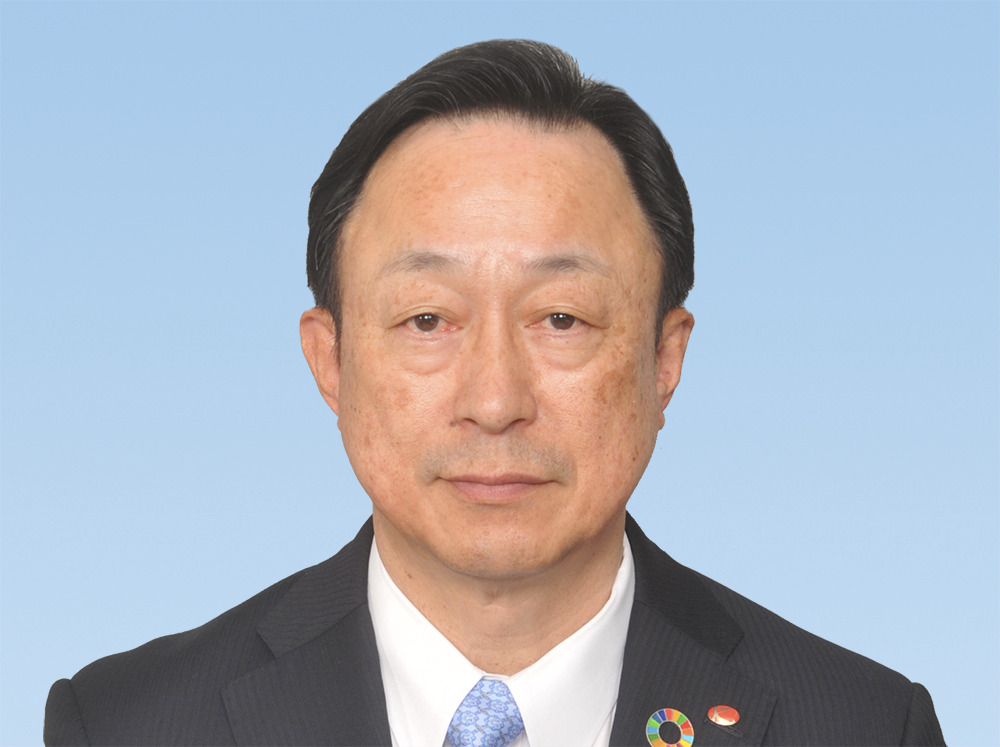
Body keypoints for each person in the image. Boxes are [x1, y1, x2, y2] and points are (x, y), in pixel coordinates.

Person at [44, 40, 945, 747]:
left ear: (664, 360)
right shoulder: (126, 724)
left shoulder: (864, 726)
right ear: (331, 360)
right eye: (427, 319)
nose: (494, 399)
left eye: (560, 318)